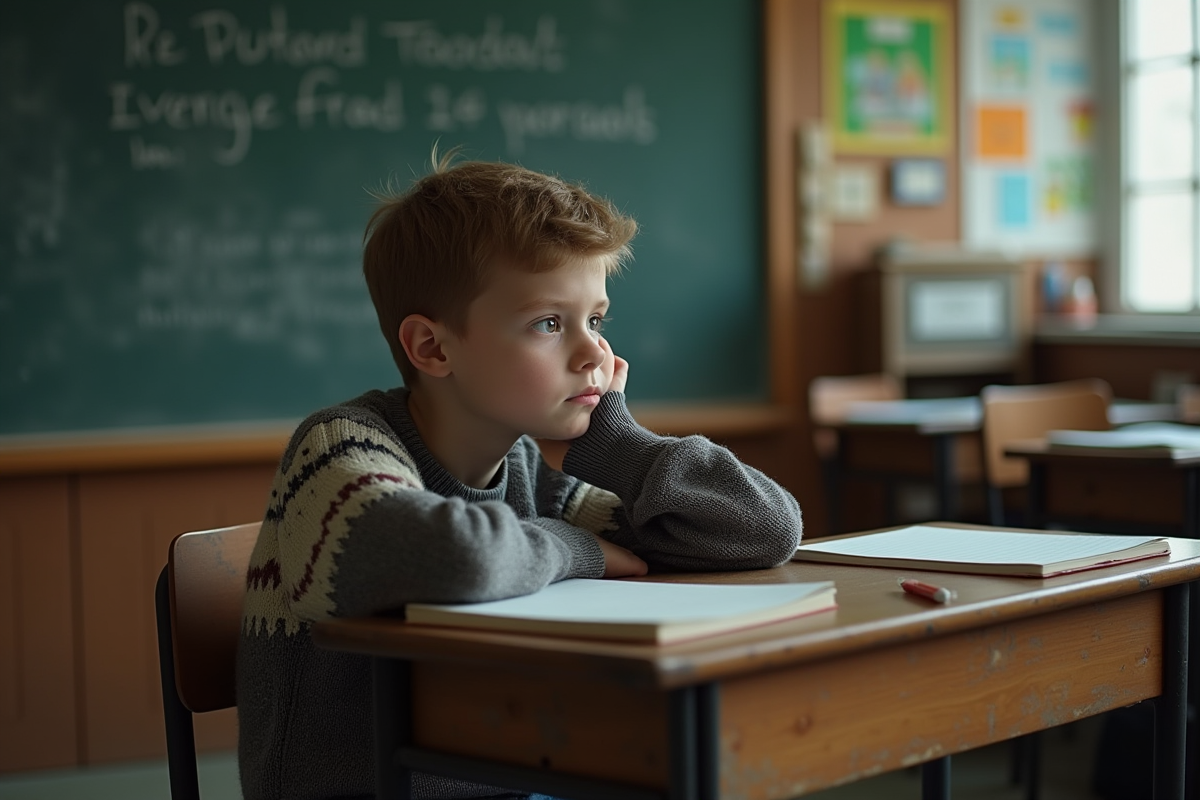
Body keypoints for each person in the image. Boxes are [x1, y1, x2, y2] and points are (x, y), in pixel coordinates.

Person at [235, 148, 803, 800]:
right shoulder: (341, 450)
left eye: (596, 319)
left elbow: (764, 530)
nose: (595, 351)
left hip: (504, 774)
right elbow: (458, 556)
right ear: (433, 347)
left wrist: (619, 445)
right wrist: (577, 548)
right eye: (548, 323)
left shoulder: (530, 472)